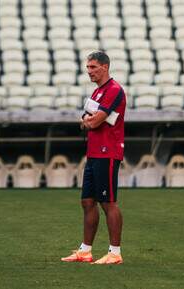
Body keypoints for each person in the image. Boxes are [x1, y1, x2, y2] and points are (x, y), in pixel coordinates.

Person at [61, 51, 126, 265]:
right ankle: (85, 250)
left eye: (93, 67)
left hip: (108, 152)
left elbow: (94, 122)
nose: (89, 71)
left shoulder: (114, 90)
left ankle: (115, 253)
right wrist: (91, 119)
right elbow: (85, 120)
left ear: (105, 67)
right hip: (94, 152)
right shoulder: (98, 92)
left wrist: (91, 119)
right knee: (87, 201)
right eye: (88, 67)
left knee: (108, 203)